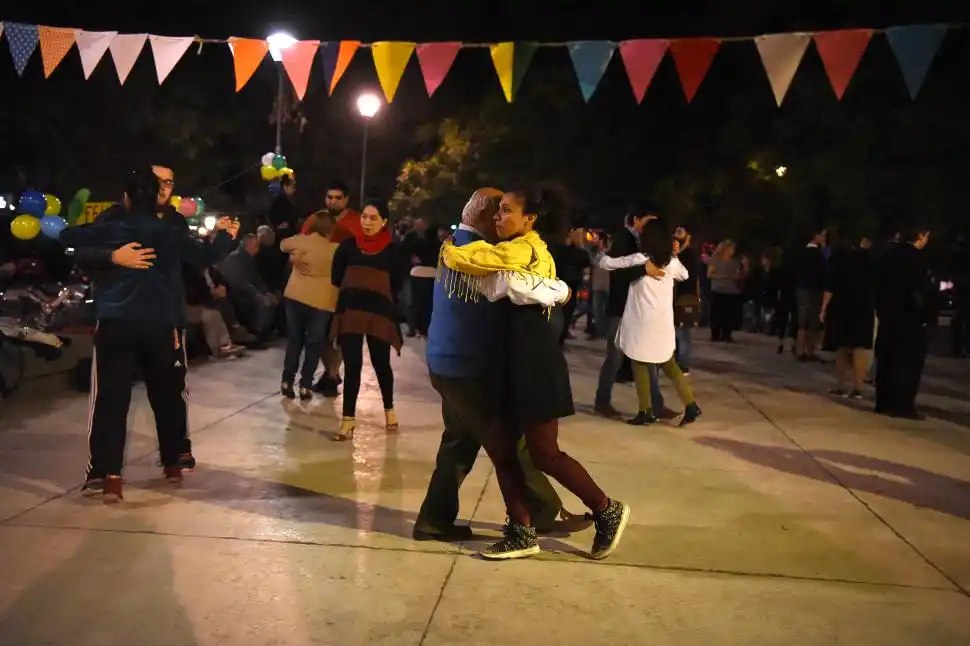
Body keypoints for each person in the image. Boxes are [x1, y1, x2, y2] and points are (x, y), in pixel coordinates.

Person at [440, 188, 630, 561]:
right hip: (504, 364)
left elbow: (505, 284)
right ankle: (521, 530)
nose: (498, 217)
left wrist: (550, 290)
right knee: (501, 448)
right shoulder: (504, 253)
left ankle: (607, 509)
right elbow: (500, 282)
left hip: (535, 364)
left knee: (545, 454)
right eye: (496, 211)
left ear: (529, 220)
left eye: (507, 211)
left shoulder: (530, 251)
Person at [60, 168, 236, 502]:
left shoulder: (112, 226)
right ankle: (172, 463)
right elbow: (205, 256)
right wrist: (227, 235)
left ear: (126, 196)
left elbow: (68, 239)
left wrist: (110, 255)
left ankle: (111, 476)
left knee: (112, 400)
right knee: (168, 395)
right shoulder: (168, 231)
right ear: (154, 193)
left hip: (116, 324)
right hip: (160, 324)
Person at [416, 188, 570, 542]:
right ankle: (542, 512)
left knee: (459, 442)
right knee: (511, 444)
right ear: (485, 216)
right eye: (498, 212)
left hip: (447, 363)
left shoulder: (456, 244)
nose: (501, 220)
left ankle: (434, 519)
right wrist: (559, 291)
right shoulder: (479, 255)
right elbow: (515, 288)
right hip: (468, 367)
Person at [598, 218, 702, 426]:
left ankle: (645, 410)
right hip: (662, 322)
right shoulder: (671, 262)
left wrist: (607, 251)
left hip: (641, 321)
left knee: (639, 362)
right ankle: (690, 405)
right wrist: (674, 254)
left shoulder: (639, 258)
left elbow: (605, 263)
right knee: (670, 364)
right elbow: (685, 274)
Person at [328, 198, 405, 440]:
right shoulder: (348, 247)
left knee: (382, 363)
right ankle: (347, 421)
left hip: (379, 315)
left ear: (383, 222)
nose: (367, 222)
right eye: (364, 217)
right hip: (351, 313)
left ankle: (389, 410)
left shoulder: (393, 251)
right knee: (352, 367)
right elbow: (335, 276)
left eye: (373, 218)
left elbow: (398, 283)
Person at [594, 204, 668, 419]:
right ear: (637, 220)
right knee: (615, 357)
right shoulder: (623, 238)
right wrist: (642, 269)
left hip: (639, 308)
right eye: (649, 221)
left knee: (648, 357)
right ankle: (602, 400)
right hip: (621, 307)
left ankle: (657, 403)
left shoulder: (643, 241)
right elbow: (617, 273)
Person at [300, 180, 360, 396]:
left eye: (338, 197)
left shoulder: (356, 222)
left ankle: (332, 375)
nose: (333, 201)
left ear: (346, 200)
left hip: (346, 287)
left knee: (340, 334)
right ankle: (332, 374)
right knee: (320, 334)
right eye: (330, 197)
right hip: (318, 286)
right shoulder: (315, 220)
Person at [278, 213, 339, 400]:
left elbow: (282, 245)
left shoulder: (301, 241)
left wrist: (297, 254)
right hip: (321, 300)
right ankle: (305, 386)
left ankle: (287, 381)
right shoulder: (335, 249)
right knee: (314, 343)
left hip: (295, 295)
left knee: (295, 340)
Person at [874, 225, 932, 419]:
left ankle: (883, 402)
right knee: (908, 363)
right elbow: (916, 290)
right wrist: (923, 314)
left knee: (887, 359)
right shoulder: (916, 258)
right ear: (921, 236)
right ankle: (902, 405)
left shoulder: (887, 255)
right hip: (909, 319)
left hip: (888, 315)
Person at [821, 235, 875, 398]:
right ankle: (858, 388)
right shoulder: (869, 258)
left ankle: (840, 385)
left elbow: (830, 284)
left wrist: (823, 307)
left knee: (842, 347)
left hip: (841, 305)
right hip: (864, 306)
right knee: (859, 348)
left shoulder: (838, 257)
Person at [795, 228, 829, 360]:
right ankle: (809, 351)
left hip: (801, 288)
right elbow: (824, 272)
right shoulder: (818, 254)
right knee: (812, 321)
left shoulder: (801, 252)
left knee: (803, 321)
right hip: (814, 289)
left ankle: (800, 350)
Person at [672, 226, 700, 374]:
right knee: (683, 332)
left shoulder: (684, 256)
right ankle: (680, 362)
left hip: (680, 297)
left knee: (681, 332)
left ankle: (681, 363)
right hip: (686, 297)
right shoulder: (689, 255)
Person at [707, 239, 744, 342]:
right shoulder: (716, 260)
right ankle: (715, 335)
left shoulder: (735, 261)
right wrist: (723, 276)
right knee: (716, 314)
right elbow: (710, 274)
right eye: (731, 248)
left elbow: (739, 274)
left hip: (731, 291)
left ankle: (727, 335)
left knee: (729, 315)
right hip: (718, 290)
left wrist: (738, 276)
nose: (733, 250)